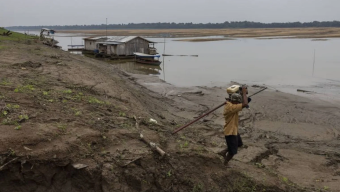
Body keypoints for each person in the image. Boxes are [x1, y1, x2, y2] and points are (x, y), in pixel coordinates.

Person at [219, 85, 248, 167]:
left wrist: (243, 93)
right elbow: (245, 103)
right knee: (233, 151)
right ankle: (225, 163)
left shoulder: (230, 103)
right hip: (230, 132)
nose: (239, 103)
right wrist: (244, 93)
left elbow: (244, 102)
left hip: (234, 129)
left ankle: (223, 152)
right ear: (235, 102)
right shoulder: (231, 107)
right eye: (238, 102)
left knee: (239, 144)